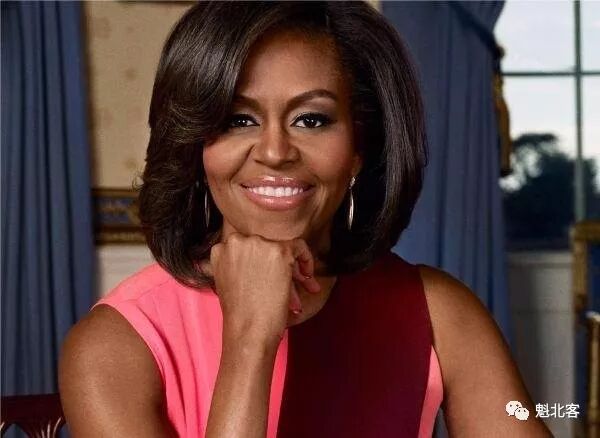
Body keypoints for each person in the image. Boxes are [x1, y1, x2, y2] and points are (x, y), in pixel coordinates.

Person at [59, 2, 551, 437]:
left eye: (311, 119)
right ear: (196, 146)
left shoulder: (438, 312)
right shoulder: (115, 345)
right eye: (238, 120)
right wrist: (250, 341)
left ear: (359, 148)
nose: (275, 152)